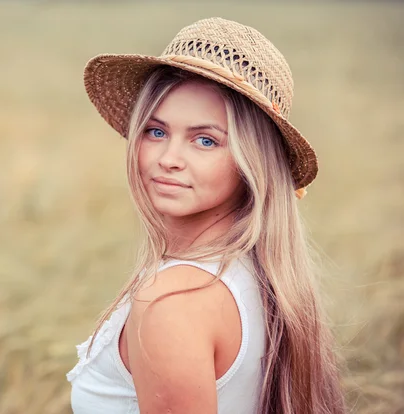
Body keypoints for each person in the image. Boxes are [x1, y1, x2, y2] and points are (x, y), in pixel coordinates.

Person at [66, 17, 346, 414]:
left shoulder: (173, 301)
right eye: (156, 132)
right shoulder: (264, 277)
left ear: (253, 161)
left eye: (205, 140)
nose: (169, 159)